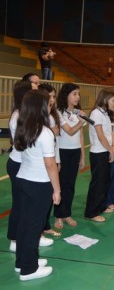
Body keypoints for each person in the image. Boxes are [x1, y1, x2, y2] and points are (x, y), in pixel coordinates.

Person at [14, 90, 61, 281]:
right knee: (34, 226)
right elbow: (50, 164)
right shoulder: (45, 132)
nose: (50, 107)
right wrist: (57, 189)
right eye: (48, 104)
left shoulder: (24, 127)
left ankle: (23, 261)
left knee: (24, 224)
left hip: (23, 180)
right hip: (39, 184)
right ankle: (28, 269)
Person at [7, 81, 54, 254]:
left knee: (26, 208)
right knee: (21, 206)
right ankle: (15, 239)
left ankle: (29, 239)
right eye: (34, 91)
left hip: (24, 163)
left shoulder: (25, 115)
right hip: (20, 164)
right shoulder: (20, 117)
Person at [54, 83, 85, 229]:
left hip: (75, 151)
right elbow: (70, 131)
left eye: (78, 94)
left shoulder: (78, 113)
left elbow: (80, 136)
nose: (77, 97)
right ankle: (58, 216)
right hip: (63, 152)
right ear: (66, 95)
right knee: (60, 185)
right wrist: (81, 122)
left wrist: (83, 156)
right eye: (74, 94)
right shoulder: (59, 112)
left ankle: (66, 214)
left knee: (70, 185)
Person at [84, 89, 114, 222]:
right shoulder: (96, 113)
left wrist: (113, 148)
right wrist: (110, 149)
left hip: (106, 151)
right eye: (113, 100)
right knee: (97, 183)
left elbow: (110, 133)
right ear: (105, 100)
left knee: (104, 182)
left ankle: (100, 207)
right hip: (98, 153)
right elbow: (100, 135)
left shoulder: (106, 113)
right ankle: (91, 212)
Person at [38, 83, 62, 236]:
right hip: (42, 163)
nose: (52, 100)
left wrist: (57, 160)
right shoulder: (38, 116)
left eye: (54, 96)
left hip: (52, 156)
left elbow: (55, 143)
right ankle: (39, 230)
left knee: (46, 200)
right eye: (50, 97)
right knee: (41, 200)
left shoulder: (53, 115)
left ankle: (45, 225)